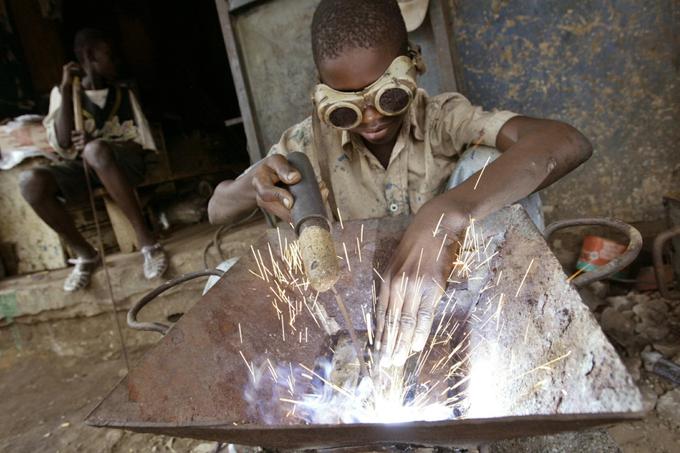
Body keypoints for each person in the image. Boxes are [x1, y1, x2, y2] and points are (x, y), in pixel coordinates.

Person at [207, 0, 592, 366]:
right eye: (347, 108)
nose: (372, 118)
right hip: (351, 314)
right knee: (223, 278)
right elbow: (216, 209)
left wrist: (446, 214)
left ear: (412, 66)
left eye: (388, 96)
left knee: (489, 163)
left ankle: (503, 346)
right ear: (322, 93)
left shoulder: (441, 119)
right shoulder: (303, 144)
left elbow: (566, 141)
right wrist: (252, 186)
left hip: (449, 302)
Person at [19, 28, 168, 292]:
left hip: (123, 165)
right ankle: (85, 253)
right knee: (31, 182)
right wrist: (66, 88)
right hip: (83, 170)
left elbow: (139, 145)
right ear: (89, 56)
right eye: (109, 55)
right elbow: (64, 142)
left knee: (95, 150)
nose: (116, 61)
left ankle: (147, 242)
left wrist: (96, 145)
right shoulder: (65, 94)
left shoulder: (123, 94)